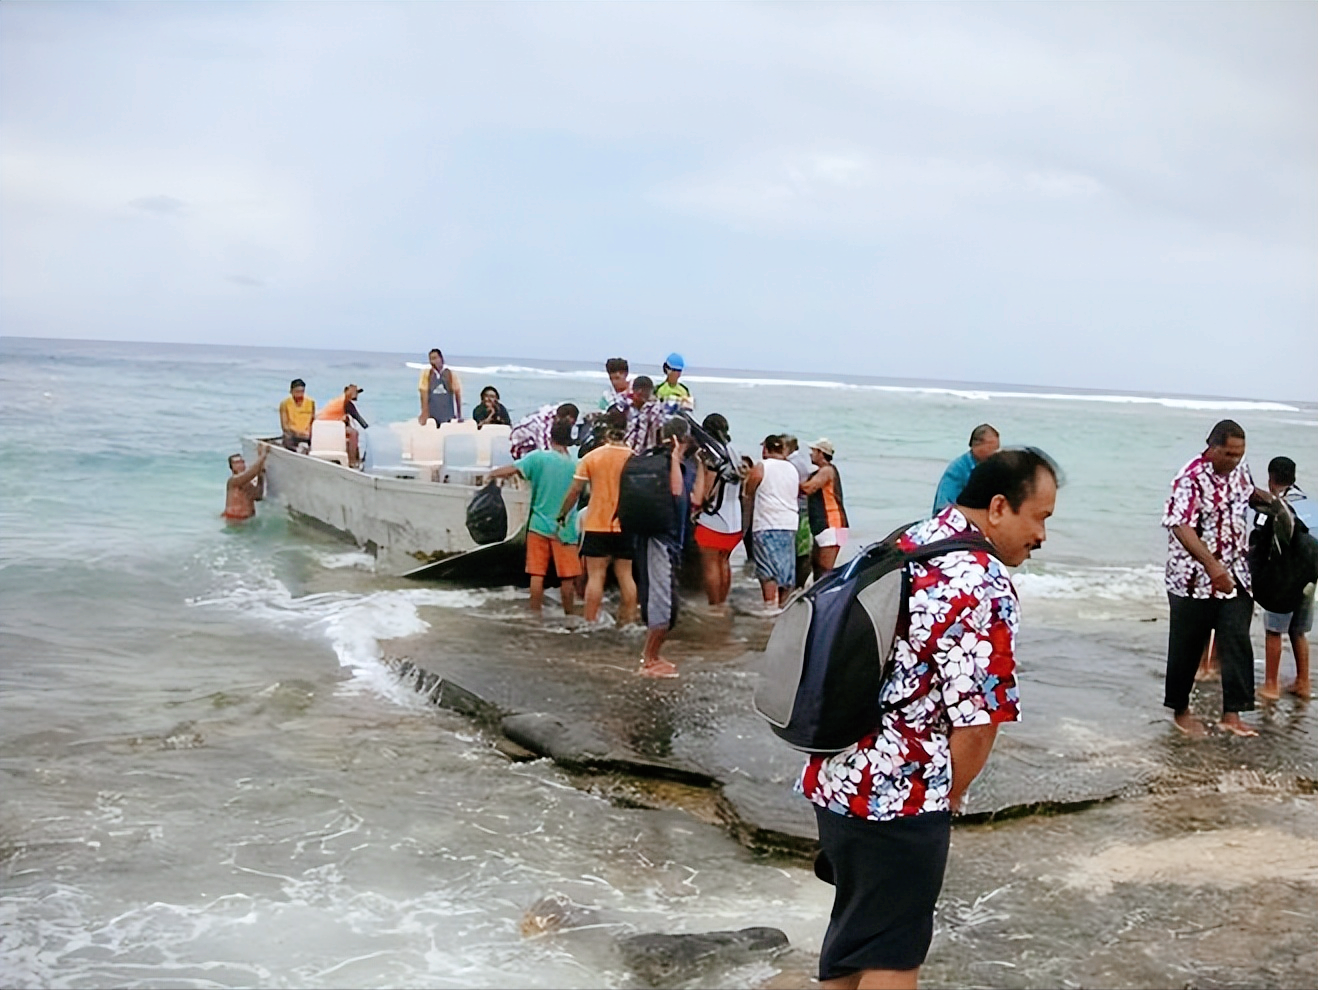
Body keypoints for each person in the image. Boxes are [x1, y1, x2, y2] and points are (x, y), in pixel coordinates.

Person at [801, 448, 1058, 990]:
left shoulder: (908, 541)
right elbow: (978, 720)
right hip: (902, 791)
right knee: (894, 953)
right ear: (997, 508)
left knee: (852, 942)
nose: (1042, 535)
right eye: (1041, 517)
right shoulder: (981, 580)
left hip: (837, 771)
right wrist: (948, 799)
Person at [1162, 419, 1276, 738]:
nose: (1235, 460)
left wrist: (1275, 504)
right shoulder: (1189, 478)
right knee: (1187, 645)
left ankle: (1233, 713)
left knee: (1237, 637)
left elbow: (1246, 493)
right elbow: (1179, 525)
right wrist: (1213, 567)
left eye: (1240, 454)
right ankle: (1181, 710)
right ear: (1211, 448)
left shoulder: (1240, 470)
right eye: (1228, 453)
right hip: (1192, 578)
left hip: (1237, 572)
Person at [488, 420, 581, 616]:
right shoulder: (576, 465)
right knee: (567, 578)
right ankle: (570, 617)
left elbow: (512, 469)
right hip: (565, 528)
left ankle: (535, 615)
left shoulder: (538, 458)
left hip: (538, 525)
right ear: (569, 441)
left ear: (550, 437)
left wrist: (491, 474)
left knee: (537, 574)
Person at [633, 417, 699, 677]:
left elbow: (692, 499)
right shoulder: (665, 464)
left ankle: (654, 656)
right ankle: (649, 660)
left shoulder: (673, 464)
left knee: (667, 599)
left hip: (667, 540)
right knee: (661, 600)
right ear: (680, 438)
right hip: (658, 540)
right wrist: (674, 457)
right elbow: (675, 493)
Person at [557, 422, 637, 627]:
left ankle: (591, 621)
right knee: (626, 575)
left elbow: (575, 491)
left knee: (596, 577)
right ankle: (629, 620)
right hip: (626, 524)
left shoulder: (591, 457)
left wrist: (563, 514)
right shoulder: (634, 458)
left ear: (604, 437)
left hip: (597, 523)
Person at [1259, 456, 1315, 701]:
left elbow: (1261, 541)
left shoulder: (1277, 507)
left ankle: (1271, 685)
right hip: (1310, 579)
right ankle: (1303, 682)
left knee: (1274, 630)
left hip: (1284, 579)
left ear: (1271, 479)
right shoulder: (1311, 504)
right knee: (1298, 631)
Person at [744, 434, 801, 613]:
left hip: (767, 522)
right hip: (789, 523)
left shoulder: (762, 466)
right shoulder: (792, 469)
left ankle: (770, 606)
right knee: (785, 569)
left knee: (767, 569)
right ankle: (783, 608)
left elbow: (748, 491)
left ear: (765, 449)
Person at [691, 413, 743, 608]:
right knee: (723, 563)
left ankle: (714, 606)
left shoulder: (712, 455)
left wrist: (698, 464)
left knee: (710, 565)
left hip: (714, 520)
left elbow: (705, 494)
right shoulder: (735, 452)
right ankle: (722, 602)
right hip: (734, 520)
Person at [802, 438, 850, 579]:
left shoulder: (826, 470)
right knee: (816, 565)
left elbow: (810, 488)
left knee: (824, 570)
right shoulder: (824, 471)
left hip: (833, 525)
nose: (810, 454)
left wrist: (790, 481)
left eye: (813, 451)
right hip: (832, 526)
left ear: (820, 453)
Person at [932, 424, 1000, 513]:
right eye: (991, 447)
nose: (996, 453)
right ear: (976, 445)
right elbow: (943, 507)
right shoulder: (957, 470)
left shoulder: (994, 468)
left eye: (997, 448)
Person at [783, 436, 814, 589]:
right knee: (802, 550)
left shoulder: (791, 464)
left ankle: (795, 585)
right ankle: (797, 585)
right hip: (802, 509)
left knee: (800, 551)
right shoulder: (800, 463)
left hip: (798, 510)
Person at [316, 384, 369, 467]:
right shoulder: (346, 403)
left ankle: (355, 457)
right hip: (329, 425)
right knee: (354, 433)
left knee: (350, 430)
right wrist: (368, 428)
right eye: (354, 392)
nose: (356, 394)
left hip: (327, 424)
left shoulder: (340, 400)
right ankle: (352, 461)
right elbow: (359, 419)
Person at [510, 403, 579, 459]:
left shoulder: (560, 411)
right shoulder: (545, 425)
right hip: (520, 440)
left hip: (534, 435)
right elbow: (545, 448)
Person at [620, 376, 665, 454]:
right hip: (627, 451)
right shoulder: (627, 406)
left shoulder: (655, 410)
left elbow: (659, 434)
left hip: (646, 454)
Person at [417, 348, 462, 425]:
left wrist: (459, 414)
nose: (432, 362)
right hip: (432, 414)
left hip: (447, 414)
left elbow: (457, 394)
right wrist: (424, 413)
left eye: (435, 358)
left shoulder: (450, 374)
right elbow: (423, 395)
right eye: (431, 359)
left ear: (441, 359)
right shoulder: (427, 374)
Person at [223, 446, 268, 522]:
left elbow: (258, 496)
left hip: (248, 519)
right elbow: (252, 473)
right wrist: (263, 455)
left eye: (242, 462)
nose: (240, 464)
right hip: (234, 520)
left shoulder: (249, 484)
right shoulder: (233, 481)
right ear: (232, 467)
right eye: (237, 463)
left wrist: (260, 475)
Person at [278, 379, 316, 451]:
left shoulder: (310, 402)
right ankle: (296, 450)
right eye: (297, 392)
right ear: (291, 392)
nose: (300, 394)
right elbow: (285, 426)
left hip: (307, 434)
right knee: (288, 437)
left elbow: (313, 420)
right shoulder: (285, 403)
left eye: (302, 391)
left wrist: (309, 432)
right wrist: (297, 433)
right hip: (293, 434)